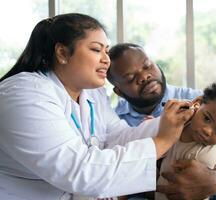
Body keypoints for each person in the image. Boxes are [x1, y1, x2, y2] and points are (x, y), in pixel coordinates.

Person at [0, 13, 195, 200]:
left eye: (106, 50)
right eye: (96, 49)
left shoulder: (92, 93)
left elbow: (118, 137)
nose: (106, 60)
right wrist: (162, 140)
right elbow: (81, 171)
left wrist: (177, 121)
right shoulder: (23, 95)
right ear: (62, 53)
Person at [107, 43, 216, 199]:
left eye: (147, 66)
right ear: (119, 91)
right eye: (130, 78)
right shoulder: (116, 122)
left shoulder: (200, 104)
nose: (144, 76)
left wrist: (214, 181)